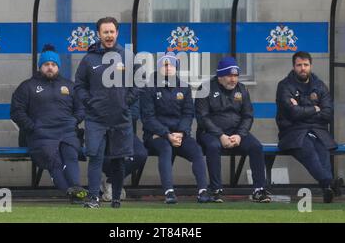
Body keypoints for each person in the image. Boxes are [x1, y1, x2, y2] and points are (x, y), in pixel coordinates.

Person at [10, 44, 88, 203]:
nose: (50, 68)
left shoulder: (69, 86)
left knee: (70, 155)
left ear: (58, 67)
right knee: (54, 160)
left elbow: (81, 109)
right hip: (41, 135)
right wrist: (33, 127)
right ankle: (71, 192)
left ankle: (75, 188)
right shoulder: (27, 86)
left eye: (53, 65)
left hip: (67, 132)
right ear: (40, 67)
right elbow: (17, 112)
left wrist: (74, 121)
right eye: (46, 65)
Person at [75, 16, 138, 208]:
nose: (109, 35)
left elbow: (138, 84)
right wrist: (90, 103)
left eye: (112, 31)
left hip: (120, 118)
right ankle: (94, 197)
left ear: (117, 33)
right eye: (105, 32)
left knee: (119, 159)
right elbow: (79, 86)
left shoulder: (128, 57)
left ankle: (116, 198)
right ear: (98, 34)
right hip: (96, 118)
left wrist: (125, 102)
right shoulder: (89, 59)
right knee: (95, 157)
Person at [195, 56, 271, 203]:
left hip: (237, 133)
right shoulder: (205, 88)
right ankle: (216, 190)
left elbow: (248, 116)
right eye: (230, 76)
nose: (233, 79)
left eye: (236, 76)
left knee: (256, 146)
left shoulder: (242, 89)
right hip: (210, 133)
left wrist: (240, 135)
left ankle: (259, 190)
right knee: (213, 146)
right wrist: (221, 135)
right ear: (220, 76)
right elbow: (202, 118)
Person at [140, 53, 212, 204]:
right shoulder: (149, 87)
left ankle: (203, 191)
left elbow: (188, 114)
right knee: (166, 148)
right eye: (165, 65)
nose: (168, 68)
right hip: (156, 136)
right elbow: (148, 118)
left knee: (196, 150)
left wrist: (180, 133)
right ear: (159, 68)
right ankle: (169, 192)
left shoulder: (184, 87)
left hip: (179, 134)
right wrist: (166, 134)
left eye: (171, 65)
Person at [276, 51, 337, 203]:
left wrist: (302, 109)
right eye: (299, 65)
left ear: (310, 66)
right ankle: (329, 183)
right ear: (293, 67)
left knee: (322, 150)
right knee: (308, 150)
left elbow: (328, 114)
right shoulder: (284, 86)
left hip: (317, 130)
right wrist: (315, 108)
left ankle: (327, 188)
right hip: (292, 131)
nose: (303, 68)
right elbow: (292, 113)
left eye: (305, 65)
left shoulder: (319, 85)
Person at [101, 100, 148, 202]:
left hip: (124, 128)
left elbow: (134, 113)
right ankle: (112, 184)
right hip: (103, 128)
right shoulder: (101, 86)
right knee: (102, 154)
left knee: (140, 154)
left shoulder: (129, 86)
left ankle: (111, 181)